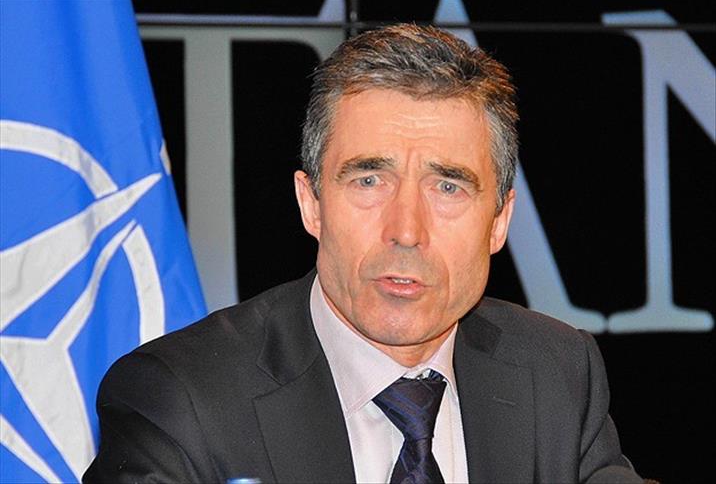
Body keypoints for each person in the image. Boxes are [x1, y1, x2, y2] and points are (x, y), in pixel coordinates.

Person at [84, 24, 642, 483]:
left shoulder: (555, 370)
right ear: (311, 204)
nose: (406, 230)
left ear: (499, 221)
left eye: (448, 186)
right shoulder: (182, 400)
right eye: (370, 180)